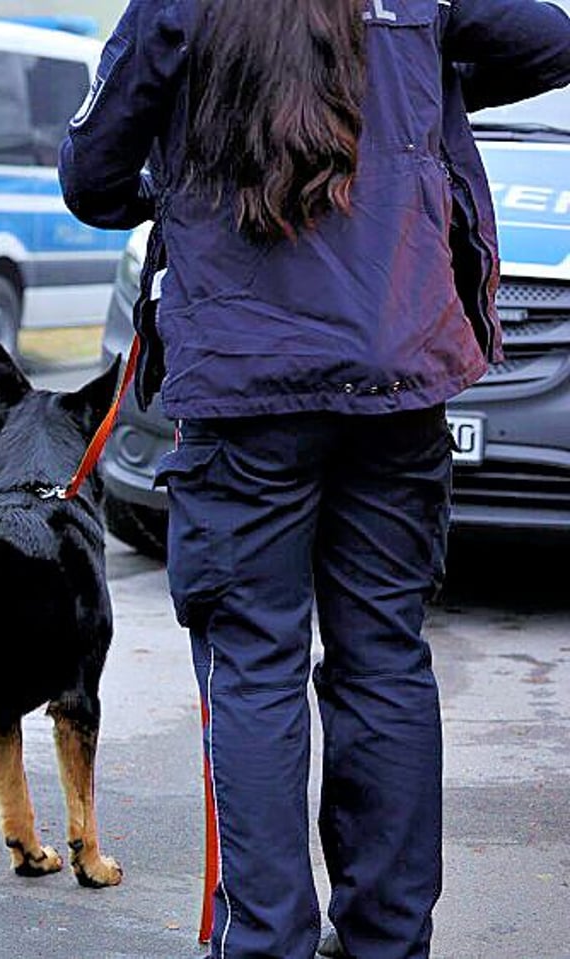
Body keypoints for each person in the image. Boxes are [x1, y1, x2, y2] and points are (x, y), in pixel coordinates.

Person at [59, 1, 570, 957]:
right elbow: (550, 36)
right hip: (396, 369)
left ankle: (266, 939)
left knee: (253, 666)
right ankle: (385, 937)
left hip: (245, 388)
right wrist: (419, 81)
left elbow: (89, 177)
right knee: (383, 654)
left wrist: (181, 165)